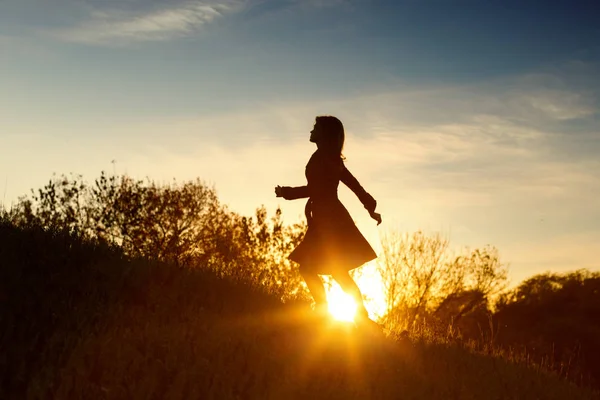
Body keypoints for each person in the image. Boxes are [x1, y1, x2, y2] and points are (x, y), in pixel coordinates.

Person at [275, 115, 382, 322]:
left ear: (325, 133)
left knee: (323, 268)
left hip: (330, 220)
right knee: (333, 270)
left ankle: (331, 310)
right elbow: (354, 185)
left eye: (315, 127)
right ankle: (351, 314)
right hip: (326, 217)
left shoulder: (326, 158)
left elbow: (325, 188)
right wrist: (370, 206)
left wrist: (288, 192)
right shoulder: (326, 156)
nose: (311, 130)